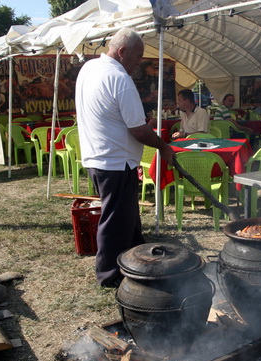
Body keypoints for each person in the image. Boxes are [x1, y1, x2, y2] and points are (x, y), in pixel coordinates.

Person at [75, 28, 175, 288]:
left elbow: (113, 116)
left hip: (100, 157)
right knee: (115, 220)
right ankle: (109, 275)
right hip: (116, 161)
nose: (139, 62)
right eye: (138, 56)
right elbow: (138, 130)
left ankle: (137, 257)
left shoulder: (89, 68)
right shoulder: (120, 78)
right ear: (122, 51)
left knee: (126, 216)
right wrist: (163, 147)